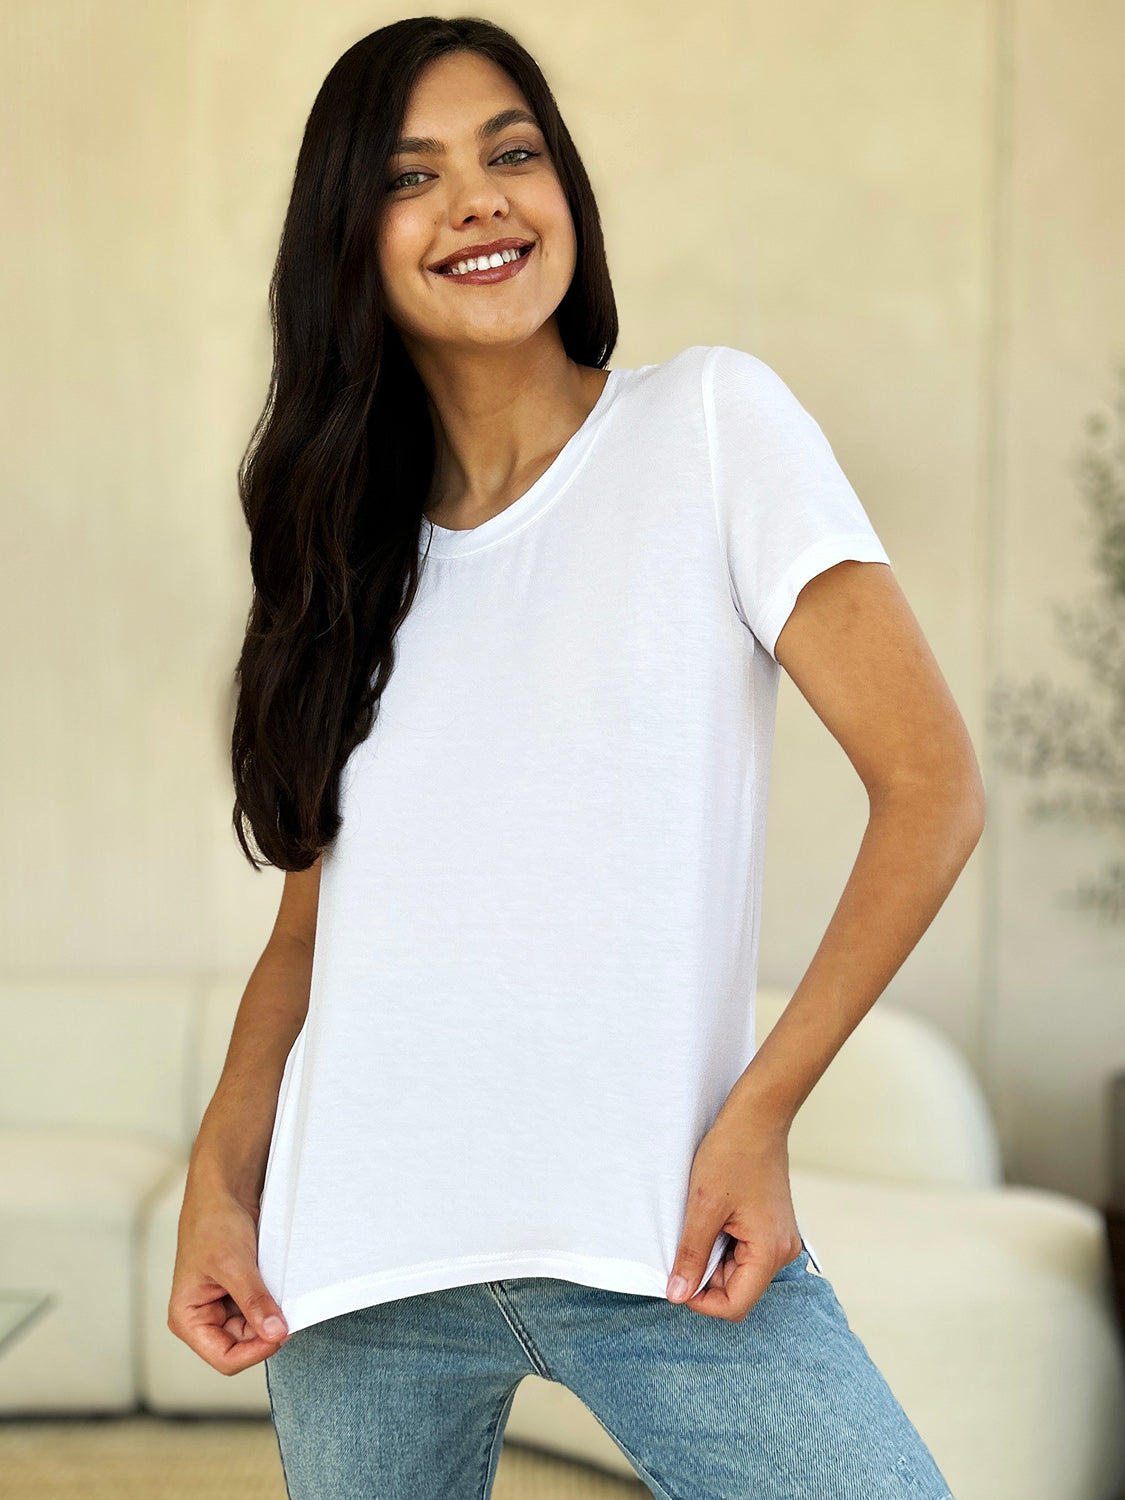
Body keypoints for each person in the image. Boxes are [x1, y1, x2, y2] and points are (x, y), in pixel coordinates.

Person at [168, 16, 981, 1499]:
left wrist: (759, 1118)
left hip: (658, 1234)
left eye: (513, 151)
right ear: (350, 242)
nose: (480, 199)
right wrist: (218, 1189)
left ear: (565, 192)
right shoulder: (342, 561)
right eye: (414, 177)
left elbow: (930, 793)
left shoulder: (712, 427)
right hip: (358, 1265)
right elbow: (309, 930)